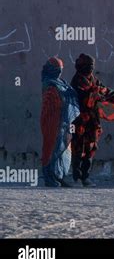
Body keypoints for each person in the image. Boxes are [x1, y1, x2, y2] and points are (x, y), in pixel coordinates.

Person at [71, 54, 114, 187]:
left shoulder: (93, 80)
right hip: (80, 120)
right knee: (78, 147)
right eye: (88, 66)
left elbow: (106, 92)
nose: (90, 69)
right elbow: (87, 96)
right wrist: (96, 93)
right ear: (81, 67)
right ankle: (76, 177)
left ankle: (85, 177)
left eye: (92, 66)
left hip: (92, 121)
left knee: (91, 147)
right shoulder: (77, 81)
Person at [40, 57, 80, 187]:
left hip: (63, 123)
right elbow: (51, 104)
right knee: (51, 149)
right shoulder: (49, 84)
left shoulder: (60, 82)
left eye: (60, 70)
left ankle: (60, 176)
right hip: (52, 123)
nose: (59, 72)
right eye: (57, 70)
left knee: (62, 150)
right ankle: (50, 178)